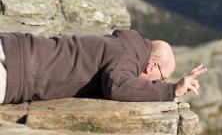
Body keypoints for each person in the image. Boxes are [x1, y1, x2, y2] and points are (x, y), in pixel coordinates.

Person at [0, 29, 207, 104]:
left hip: (14, 46)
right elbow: (117, 85)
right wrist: (171, 90)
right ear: (151, 65)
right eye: (160, 78)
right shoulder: (127, 57)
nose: (158, 83)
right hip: (14, 72)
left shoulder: (126, 45)